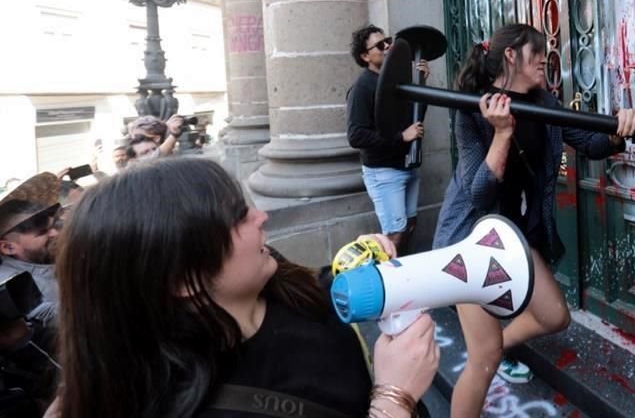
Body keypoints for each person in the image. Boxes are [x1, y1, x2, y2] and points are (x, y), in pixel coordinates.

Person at [53, 157, 438, 418]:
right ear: (183, 279)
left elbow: (320, 289)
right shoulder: (194, 404)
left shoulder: (270, 280)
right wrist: (394, 398)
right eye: (238, 217)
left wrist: (354, 267)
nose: (262, 216)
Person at [433, 24, 635, 416]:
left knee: (554, 316)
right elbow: (479, 194)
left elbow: (591, 143)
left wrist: (620, 131)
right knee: (482, 360)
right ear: (512, 54)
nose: (546, 62)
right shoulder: (471, 108)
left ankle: (495, 344)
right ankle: (489, 351)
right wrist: (501, 134)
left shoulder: (544, 103)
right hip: (469, 238)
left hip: (510, 234)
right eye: (539, 53)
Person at [347, 25, 429, 255]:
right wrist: (400, 137)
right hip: (384, 172)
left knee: (409, 226)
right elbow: (356, 135)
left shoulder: (394, 81)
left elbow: (416, 118)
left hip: (407, 165)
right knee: (394, 235)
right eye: (380, 45)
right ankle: (382, 283)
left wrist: (421, 82)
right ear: (365, 56)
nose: (388, 48)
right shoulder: (362, 88)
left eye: (389, 42)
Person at [0, 172, 63, 328]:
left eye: (54, 224)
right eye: (41, 231)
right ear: (8, 247)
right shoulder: (10, 287)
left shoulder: (58, 255)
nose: (55, 233)